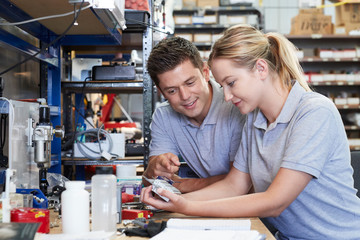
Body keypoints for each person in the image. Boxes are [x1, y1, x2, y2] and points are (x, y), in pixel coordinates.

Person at [141, 24, 360, 239]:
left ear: (261, 69)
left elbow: (275, 201)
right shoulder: (255, 118)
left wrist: (186, 205)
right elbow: (233, 186)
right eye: (222, 86)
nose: (225, 96)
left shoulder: (313, 112)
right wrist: (172, 200)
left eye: (231, 83)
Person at [144, 36, 246, 193]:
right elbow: (153, 182)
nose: (185, 96)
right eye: (172, 90)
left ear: (205, 73)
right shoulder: (163, 116)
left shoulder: (235, 107)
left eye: (190, 83)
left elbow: (240, 184)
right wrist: (154, 168)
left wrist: (181, 185)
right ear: (161, 91)